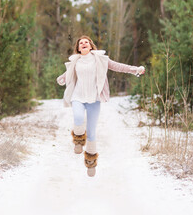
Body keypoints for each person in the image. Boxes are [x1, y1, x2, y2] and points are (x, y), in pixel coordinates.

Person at [56, 35, 145, 177]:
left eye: (86, 42)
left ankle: (90, 163)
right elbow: (68, 74)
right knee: (78, 118)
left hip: (94, 99)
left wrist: (136, 70)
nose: (84, 44)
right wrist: (62, 78)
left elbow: (118, 66)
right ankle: (78, 141)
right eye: (81, 43)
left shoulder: (100, 59)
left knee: (91, 132)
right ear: (78, 49)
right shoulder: (75, 61)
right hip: (78, 97)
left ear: (91, 46)